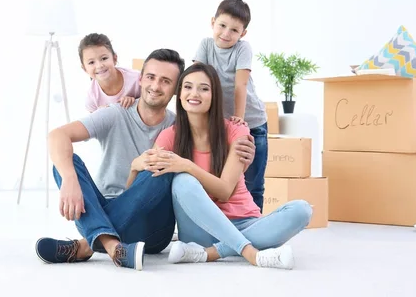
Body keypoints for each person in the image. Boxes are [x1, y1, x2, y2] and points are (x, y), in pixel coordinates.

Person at [35, 50, 257, 271]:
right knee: (66, 162)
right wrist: (69, 179)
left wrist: (241, 157)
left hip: (152, 227)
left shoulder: (179, 128)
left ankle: (86, 245)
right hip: (106, 207)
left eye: (166, 81)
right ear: (140, 79)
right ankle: (115, 247)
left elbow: (210, 163)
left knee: (164, 169)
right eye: (150, 77)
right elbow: (58, 135)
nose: (155, 86)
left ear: (175, 90)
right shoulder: (115, 114)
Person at [133, 62, 312, 269]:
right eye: (188, 87)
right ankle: (249, 251)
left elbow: (225, 191)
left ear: (214, 95)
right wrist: (134, 166)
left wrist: (186, 165)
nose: (195, 93)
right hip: (199, 229)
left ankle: (212, 253)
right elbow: (141, 189)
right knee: (182, 181)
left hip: (245, 222)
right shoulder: (169, 137)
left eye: (204, 88)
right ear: (179, 94)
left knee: (302, 210)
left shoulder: (236, 131)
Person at [193, 0, 269, 212]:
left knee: (254, 181)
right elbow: (198, 78)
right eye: (222, 26)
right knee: (221, 178)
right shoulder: (206, 45)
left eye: (234, 30)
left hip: (251, 121)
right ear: (212, 22)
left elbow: (240, 85)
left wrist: (239, 118)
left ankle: (256, 224)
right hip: (221, 124)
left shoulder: (242, 49)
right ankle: (226, 223)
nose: (226, 34)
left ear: (242, 33)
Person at [79, 33, 140, 112]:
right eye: (91, 62)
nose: (99, 66)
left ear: (114, 59)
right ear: (84, 69)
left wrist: (136, 102)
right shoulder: (91, 97)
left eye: (104, 58)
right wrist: (98, 115)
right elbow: (94, 123)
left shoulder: (136, 79)